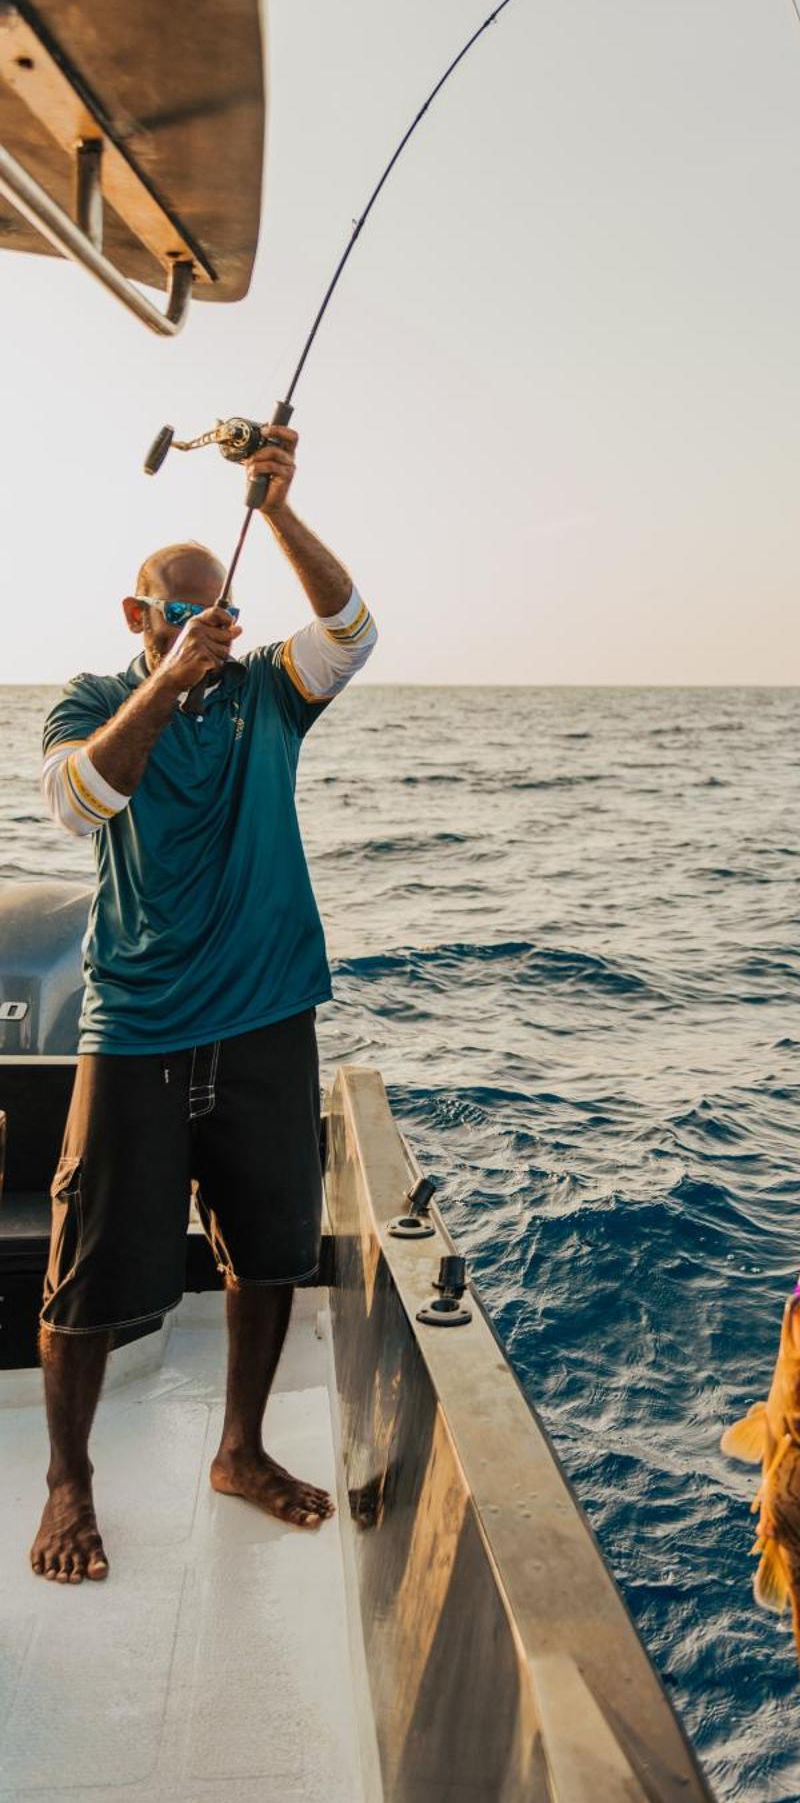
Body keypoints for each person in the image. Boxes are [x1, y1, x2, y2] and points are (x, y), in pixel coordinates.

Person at [29, 427, 377, 1583]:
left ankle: (241, 1448)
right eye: (178, 612)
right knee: (83, 1268)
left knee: (268, 1249)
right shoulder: (91, 697)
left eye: (214, 609)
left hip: (268, 1014)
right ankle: (68, 1478)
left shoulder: (269, 693)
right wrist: (167, 686)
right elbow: (80, 800)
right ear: (137, 619)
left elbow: (352, 631)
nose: (202, 627)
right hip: (137, 1024)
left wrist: (274, 508)